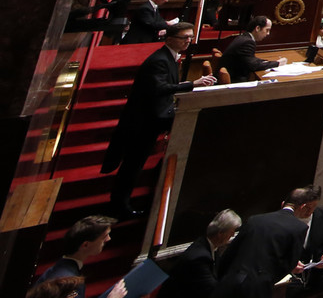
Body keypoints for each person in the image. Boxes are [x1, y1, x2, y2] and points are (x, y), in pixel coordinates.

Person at [102, 22, 216, 217]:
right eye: (184, 38)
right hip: (142, 123)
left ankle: (122, 203)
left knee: (135, 164)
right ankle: (119, 207)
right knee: (132, 165)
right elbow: (159, 89)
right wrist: (191, 84)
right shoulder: (159, 60)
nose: (188, 41)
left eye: (190, 37)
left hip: (151, 118)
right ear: (170, 39)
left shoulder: (169, 58)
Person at [213, 193, 313, 298]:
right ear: (303, 207)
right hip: (257, 287)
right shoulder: (299, 228)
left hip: (231, 280)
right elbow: (289, 264)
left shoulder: (255, 219)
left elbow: (230, 252)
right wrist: (269, 279)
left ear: (283, 204)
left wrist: (222, 277)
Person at [157, 209, 239, 298]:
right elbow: (213, 289)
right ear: (220, 233)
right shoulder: (200, 258)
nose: (233, 235)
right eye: (231, 232)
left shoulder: (206, 245)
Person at [34, 216, 117, 298]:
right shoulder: (69, 282)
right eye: (104, 237)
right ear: (86, 245)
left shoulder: (60, 267)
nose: (108, 239)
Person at [285, 188, 323, 298]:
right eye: (307, 208)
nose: (310, 212)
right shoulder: (286, 217)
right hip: (293, 268)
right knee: (289, 290)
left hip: (318, 264)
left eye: (313, 207)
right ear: (300, 205)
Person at [221, 16, 286, 83]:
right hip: (236, 81)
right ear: (257, 28)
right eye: (267, 30)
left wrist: (265, 62)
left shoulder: (244, 37)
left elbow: (251, 59)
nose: (268, 34)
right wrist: (277, 63)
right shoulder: (247, 42)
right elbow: (253, 66)